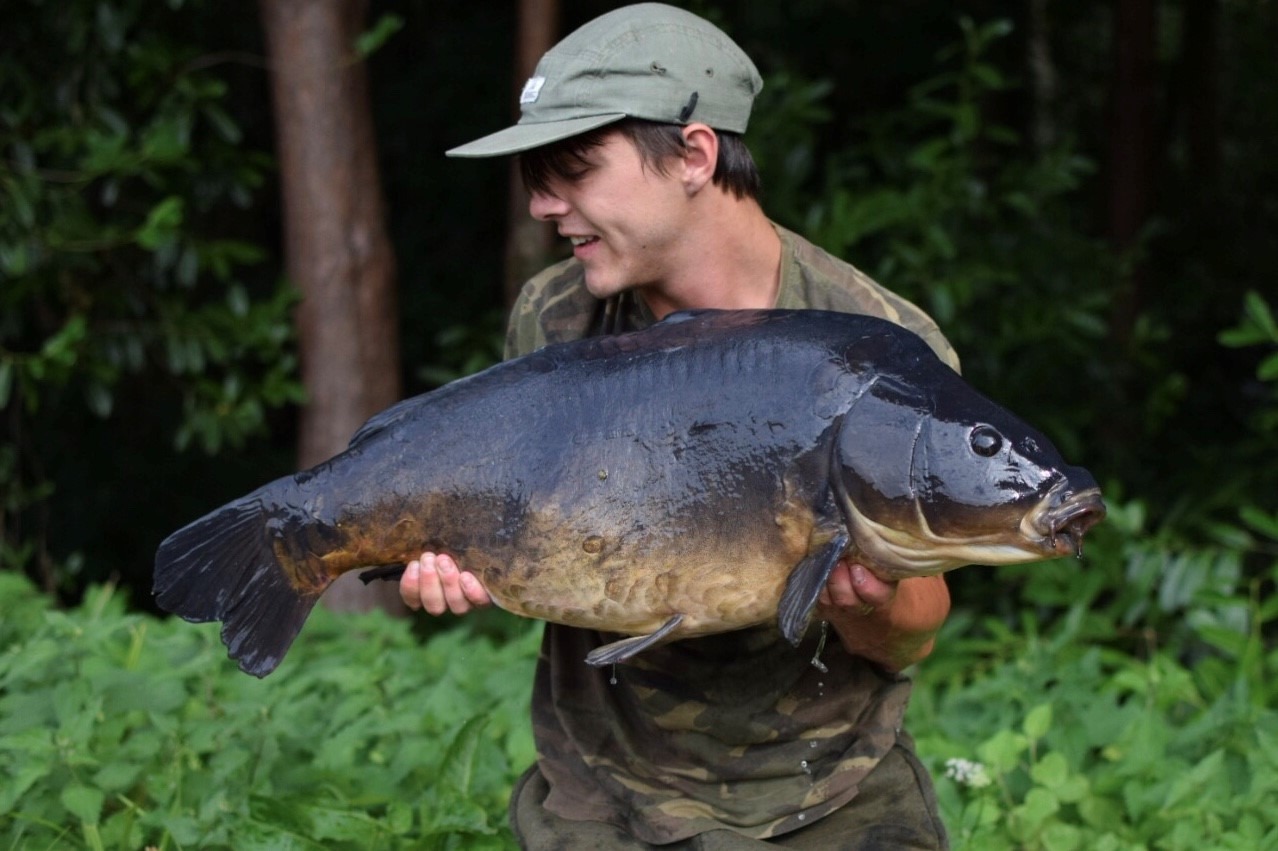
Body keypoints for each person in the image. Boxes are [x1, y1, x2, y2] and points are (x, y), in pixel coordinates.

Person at [403, 5, 957, 848]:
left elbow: (916, 627)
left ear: (694, 155)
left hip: (831, 790)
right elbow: (539, 539)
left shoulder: (878, 340)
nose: (546, 207)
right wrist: (462, 552)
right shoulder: (554, 319)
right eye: (534, 179)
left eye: (574, 170)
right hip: (607, 792)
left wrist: (867, 604)